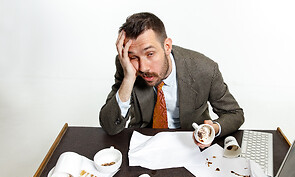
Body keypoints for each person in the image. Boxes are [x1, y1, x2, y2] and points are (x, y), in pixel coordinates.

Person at [99, 12, 244, 148]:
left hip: (191, 142)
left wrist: (214, 128)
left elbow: (234, 114)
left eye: (150, 54)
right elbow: (110, 127)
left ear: (167, 46)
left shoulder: (205, 69)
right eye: (134, 57)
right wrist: (129, 78)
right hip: (146, 142)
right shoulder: (127, 66)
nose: (143, 67)